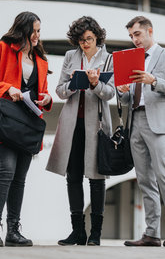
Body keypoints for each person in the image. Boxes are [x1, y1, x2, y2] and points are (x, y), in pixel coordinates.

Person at [0, 11, 53, 247]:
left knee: (19, 179)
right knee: (6, 173)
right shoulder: (2, 49)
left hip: (27, 125)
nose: (38, 36)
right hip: (4, 122)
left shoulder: (41, 60)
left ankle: (13, 231)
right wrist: (7, 88)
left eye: (40, 31)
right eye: (35, 31)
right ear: (24, 29)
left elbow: (43, 93)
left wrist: (47, 99)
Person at [117, 16, 165, 247]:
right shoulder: (131, 59)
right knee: (145, 180)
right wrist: (123, 91)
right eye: (131, 36)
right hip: (135, 121)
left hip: (159, 123)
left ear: (149, 31)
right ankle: (151, 234)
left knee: (164, 177)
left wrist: (153, 80)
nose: (134, 39)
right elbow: (129, 99)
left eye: (137, 34)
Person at [46, 16, 115, 246]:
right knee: (73, 176)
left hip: (96, 124)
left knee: (96, 177)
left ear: (97, 37)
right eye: (80, 40)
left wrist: (95, 84)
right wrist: (75, 83)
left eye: (89, 39)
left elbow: (110, 93)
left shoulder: (108, 59)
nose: (85, 44)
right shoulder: (70, 56)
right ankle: (78, 232)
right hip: (72, 123)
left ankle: (96, 234)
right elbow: (59, 91)